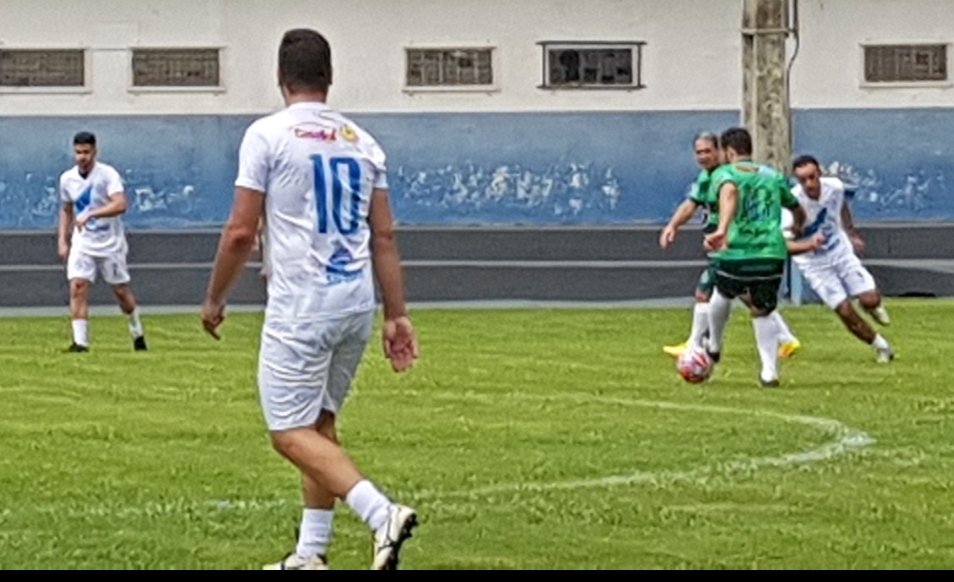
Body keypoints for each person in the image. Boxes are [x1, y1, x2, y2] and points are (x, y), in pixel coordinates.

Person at [200, 29, 420, 571]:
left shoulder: (267, 136)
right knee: (320, 425)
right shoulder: (361, 141)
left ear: (281, 77)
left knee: (289, 432)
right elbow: (384, 237)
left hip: (302, 304)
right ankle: (310, 554)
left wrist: (214, 299)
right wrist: (397, 313)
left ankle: (380, 513)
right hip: (355, 302)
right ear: (329, 77)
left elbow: (239, 232)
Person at [660, 132, 801, 360]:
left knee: (705, 289)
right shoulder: (710, 176)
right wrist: (673, 225)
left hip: (733, 246)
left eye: (708, 151)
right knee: (747, 297)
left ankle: (696, 346)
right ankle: (786, 338)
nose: (703, 157)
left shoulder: (728, 176)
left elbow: (717, 200)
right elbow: (692, 203)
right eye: (699, 152)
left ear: (722, 151)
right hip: (727, 244)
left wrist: (722, 231)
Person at [703, 127, 811, 388]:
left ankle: (714, 344)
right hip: (771, 252)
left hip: (737, 249)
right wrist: (798, 225)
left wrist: (719, 231)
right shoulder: (773, 176)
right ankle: (769, 373)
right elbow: (796, 208)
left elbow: (725, 199)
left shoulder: (723, 174)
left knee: (722, 291)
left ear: (728, 152)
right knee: (763, 309)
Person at [784, 155, 894, 363]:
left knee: (870, 299)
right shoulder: (791, 205)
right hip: (815, 264)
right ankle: (882, 346)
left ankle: (872, 307)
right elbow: (785, 246)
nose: (809, 184)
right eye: (803, 180)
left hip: (840, 252)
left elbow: (841, 205)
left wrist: (850, 232)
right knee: (845, 311)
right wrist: (808, 244)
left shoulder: (834, 187)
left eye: (812, 177)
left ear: (819, 174)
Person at [57, 131, 147, 353]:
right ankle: (81, 343)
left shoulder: (108, 175)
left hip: (110, 243)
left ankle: (137, 332)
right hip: (83, 242)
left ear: (95, 152)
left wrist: (92, 214)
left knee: (120, 292)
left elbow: (120, 204)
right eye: (78, 152)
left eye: (86, 152)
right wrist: (63, 239)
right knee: (78, 286)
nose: (82, 157)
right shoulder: (67, 179)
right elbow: (67, 209)